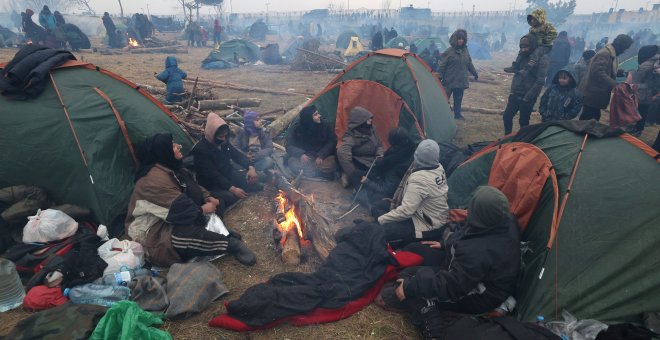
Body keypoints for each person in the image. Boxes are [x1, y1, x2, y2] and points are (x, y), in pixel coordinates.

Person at [377, 186, 520, 339]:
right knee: (413, 249)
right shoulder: (501, 220)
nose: (467, 211)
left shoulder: (479, 252)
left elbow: (453, 286)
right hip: (463, 270)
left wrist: (411, 287)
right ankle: (419, 298)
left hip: (478, 293)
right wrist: (446, 243)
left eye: (471, 209)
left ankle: (434, 327)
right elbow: (469, 231)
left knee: (401, 287)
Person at [124, 133, 256, 268]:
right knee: (182, 237)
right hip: (154, 232)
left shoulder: (172, 168)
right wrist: (205, 209)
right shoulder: (152, 181)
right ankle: (231, 244)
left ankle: (219, 232)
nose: (178, 147)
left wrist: (208, 197)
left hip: (173, 216)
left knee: (218, 200)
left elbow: (194, 187)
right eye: (173, 146)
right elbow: (181, 209)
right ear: (163, 152)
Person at [377, 139, 449, 248]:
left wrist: (380, 220)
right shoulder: (439, 167)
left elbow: (406, 211)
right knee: (379, 207)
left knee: (381, 231)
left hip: (428, 226)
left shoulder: (419, 179)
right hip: (432, 216)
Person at [192, 113, 263, 208]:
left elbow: (237, 155)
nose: (224, 139)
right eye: (220, 137)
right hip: (212, 184)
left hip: (229, 175)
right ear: (212, 134)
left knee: (256, 182)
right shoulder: (201, 150)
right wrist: (233, 189)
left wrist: (250, 167)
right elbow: (214, 175)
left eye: (225, 136)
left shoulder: (223, 142)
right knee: (231, 197)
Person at [356, 127, 416, 218]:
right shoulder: (407, 148)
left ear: (396, 143)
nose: (390, 146)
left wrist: (367, 182)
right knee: (359, 175)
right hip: (385, 178)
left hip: (391, 192)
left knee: (366, 193)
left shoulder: (398, 167)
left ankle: (372, 208)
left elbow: (385, 189)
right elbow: (386, 160)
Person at [579, 34, 634, 121]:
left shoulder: (610, 54)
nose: (624, 51)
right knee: (589, 118)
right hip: (593, 92)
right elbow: (598, 73)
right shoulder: (605, 54)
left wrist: (619, 73)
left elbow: (605, 70)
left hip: (596, 92)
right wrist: (616, 85)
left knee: (591, 117)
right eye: (624, 48)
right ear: (620, 46)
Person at [502, 34, 549, 134]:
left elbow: (540, 80)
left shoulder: (542, 59)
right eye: (521, 47)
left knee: (523, 121)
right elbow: (517, 74)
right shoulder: (522, 56)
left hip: (528, 95)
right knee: (507, 116)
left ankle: (522, 140)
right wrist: (512, 91)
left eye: (526, 47)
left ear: (532, 45)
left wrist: (528, 97)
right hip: (516, 92)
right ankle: (507, 138)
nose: (523, 49)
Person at [285, 106, 337, 180]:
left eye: (318, 113)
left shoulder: (325, 125)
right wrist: (301, 154)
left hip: (322, 157)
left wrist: (321, 155)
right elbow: (289, 145)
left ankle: (310, 172)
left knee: (331, 163)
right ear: (308, 118)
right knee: (292, 162)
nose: (319, 116)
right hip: (306, 157)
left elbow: (332, 141)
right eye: (316, 114)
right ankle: (318, 173)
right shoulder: (298, 128)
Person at [337, 107, 384, 189]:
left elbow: (379, 144)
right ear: (361, 122)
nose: (371, 121)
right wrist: (352, 171)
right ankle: (348, 175)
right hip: (360, 162)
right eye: (368, 120)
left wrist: (379, 154)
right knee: (367, 177)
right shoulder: (351, 136)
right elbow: (342, 152)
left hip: (373, 160)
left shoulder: (372, 130)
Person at [438, 29, 478, 120]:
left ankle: (457, 115)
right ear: (455, 39)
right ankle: (440, 115)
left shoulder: (465, 51)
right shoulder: (449, 51)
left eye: (462, 39)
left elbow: (469, 63)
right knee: (444, 99)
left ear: (464, 40)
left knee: (458, 99)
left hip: (461, 80)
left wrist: (475, 73)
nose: (460, 40)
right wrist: (439, 76)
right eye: (459, 38)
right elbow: (442, 65)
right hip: (449, 80)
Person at [504, 8, 556, 75]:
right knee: (522, 51)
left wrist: (544, 40)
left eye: (534, 19)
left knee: (536, 53)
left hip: (545, 46)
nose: (532, 21)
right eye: (532, 19)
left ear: (540, 19)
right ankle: (515, 66)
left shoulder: (547, 26)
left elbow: (553, 34)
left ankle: (526, 69)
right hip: (534, 44)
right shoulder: (532, 28)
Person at [631, 45, 660, 134]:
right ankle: (638, 127)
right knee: (643, 110)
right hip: (650, 91)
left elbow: (638, 78)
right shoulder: (656, 62)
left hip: (643, 91)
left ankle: (637, 128)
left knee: (640, 110)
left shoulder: (647, 64)